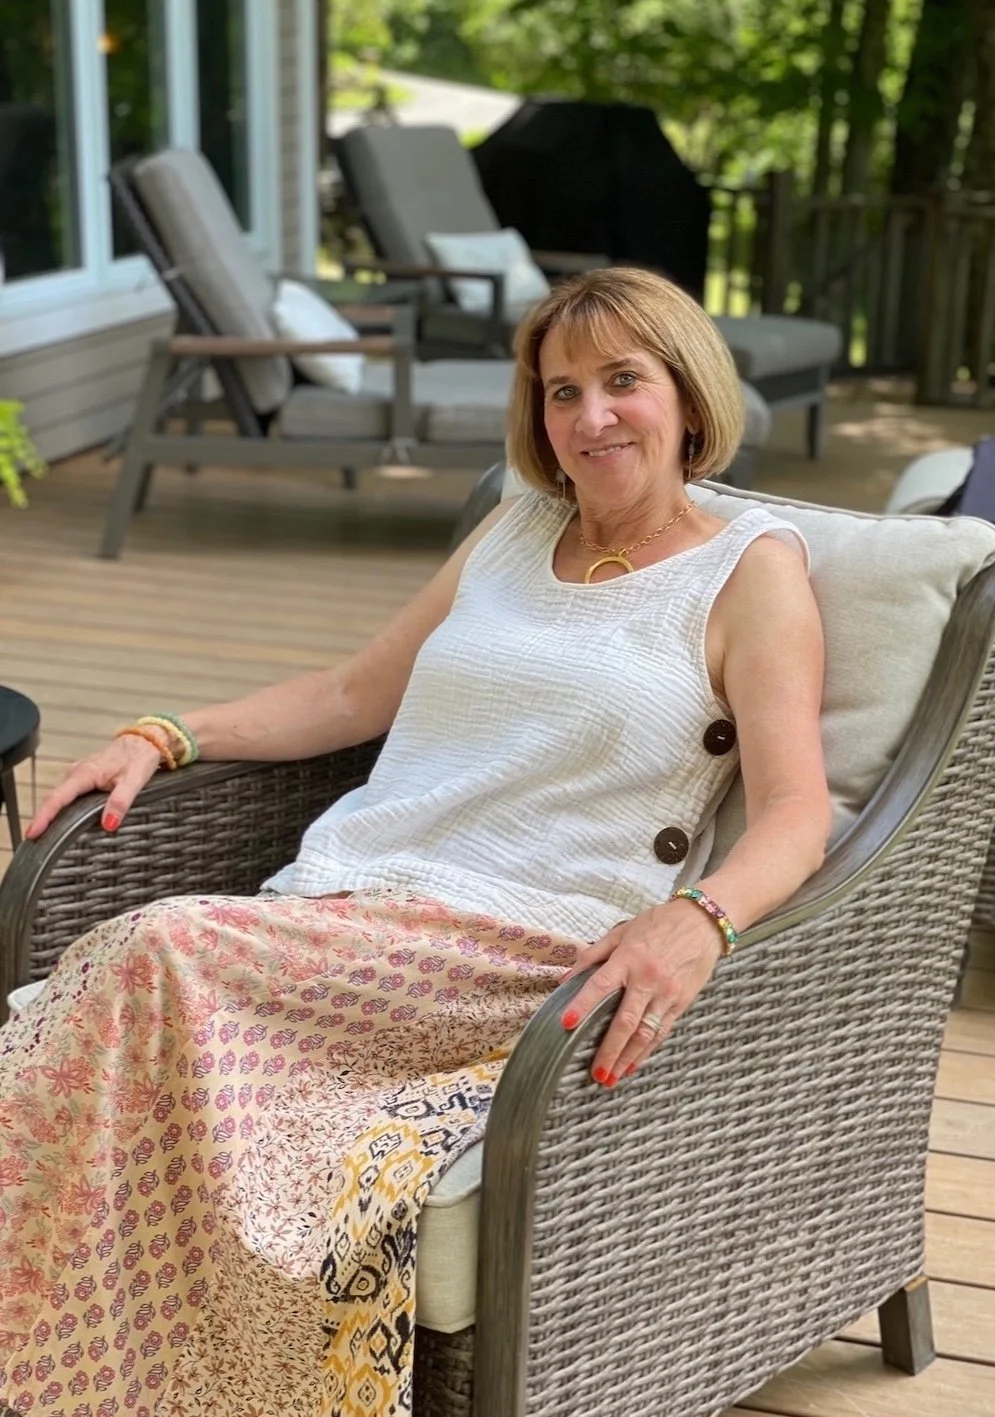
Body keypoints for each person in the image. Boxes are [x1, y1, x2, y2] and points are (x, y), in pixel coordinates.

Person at [1, 268, 830, 1417]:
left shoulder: (747, 569)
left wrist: (699, 919)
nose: (589, 417)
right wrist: (171, 732)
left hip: (520, 948)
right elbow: (352, 693)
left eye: (622, 382)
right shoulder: (515, 527)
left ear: (687, 394)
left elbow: (797, 809)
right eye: (560, 391)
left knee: (154, 949)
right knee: (138, 1028)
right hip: (349, 911)